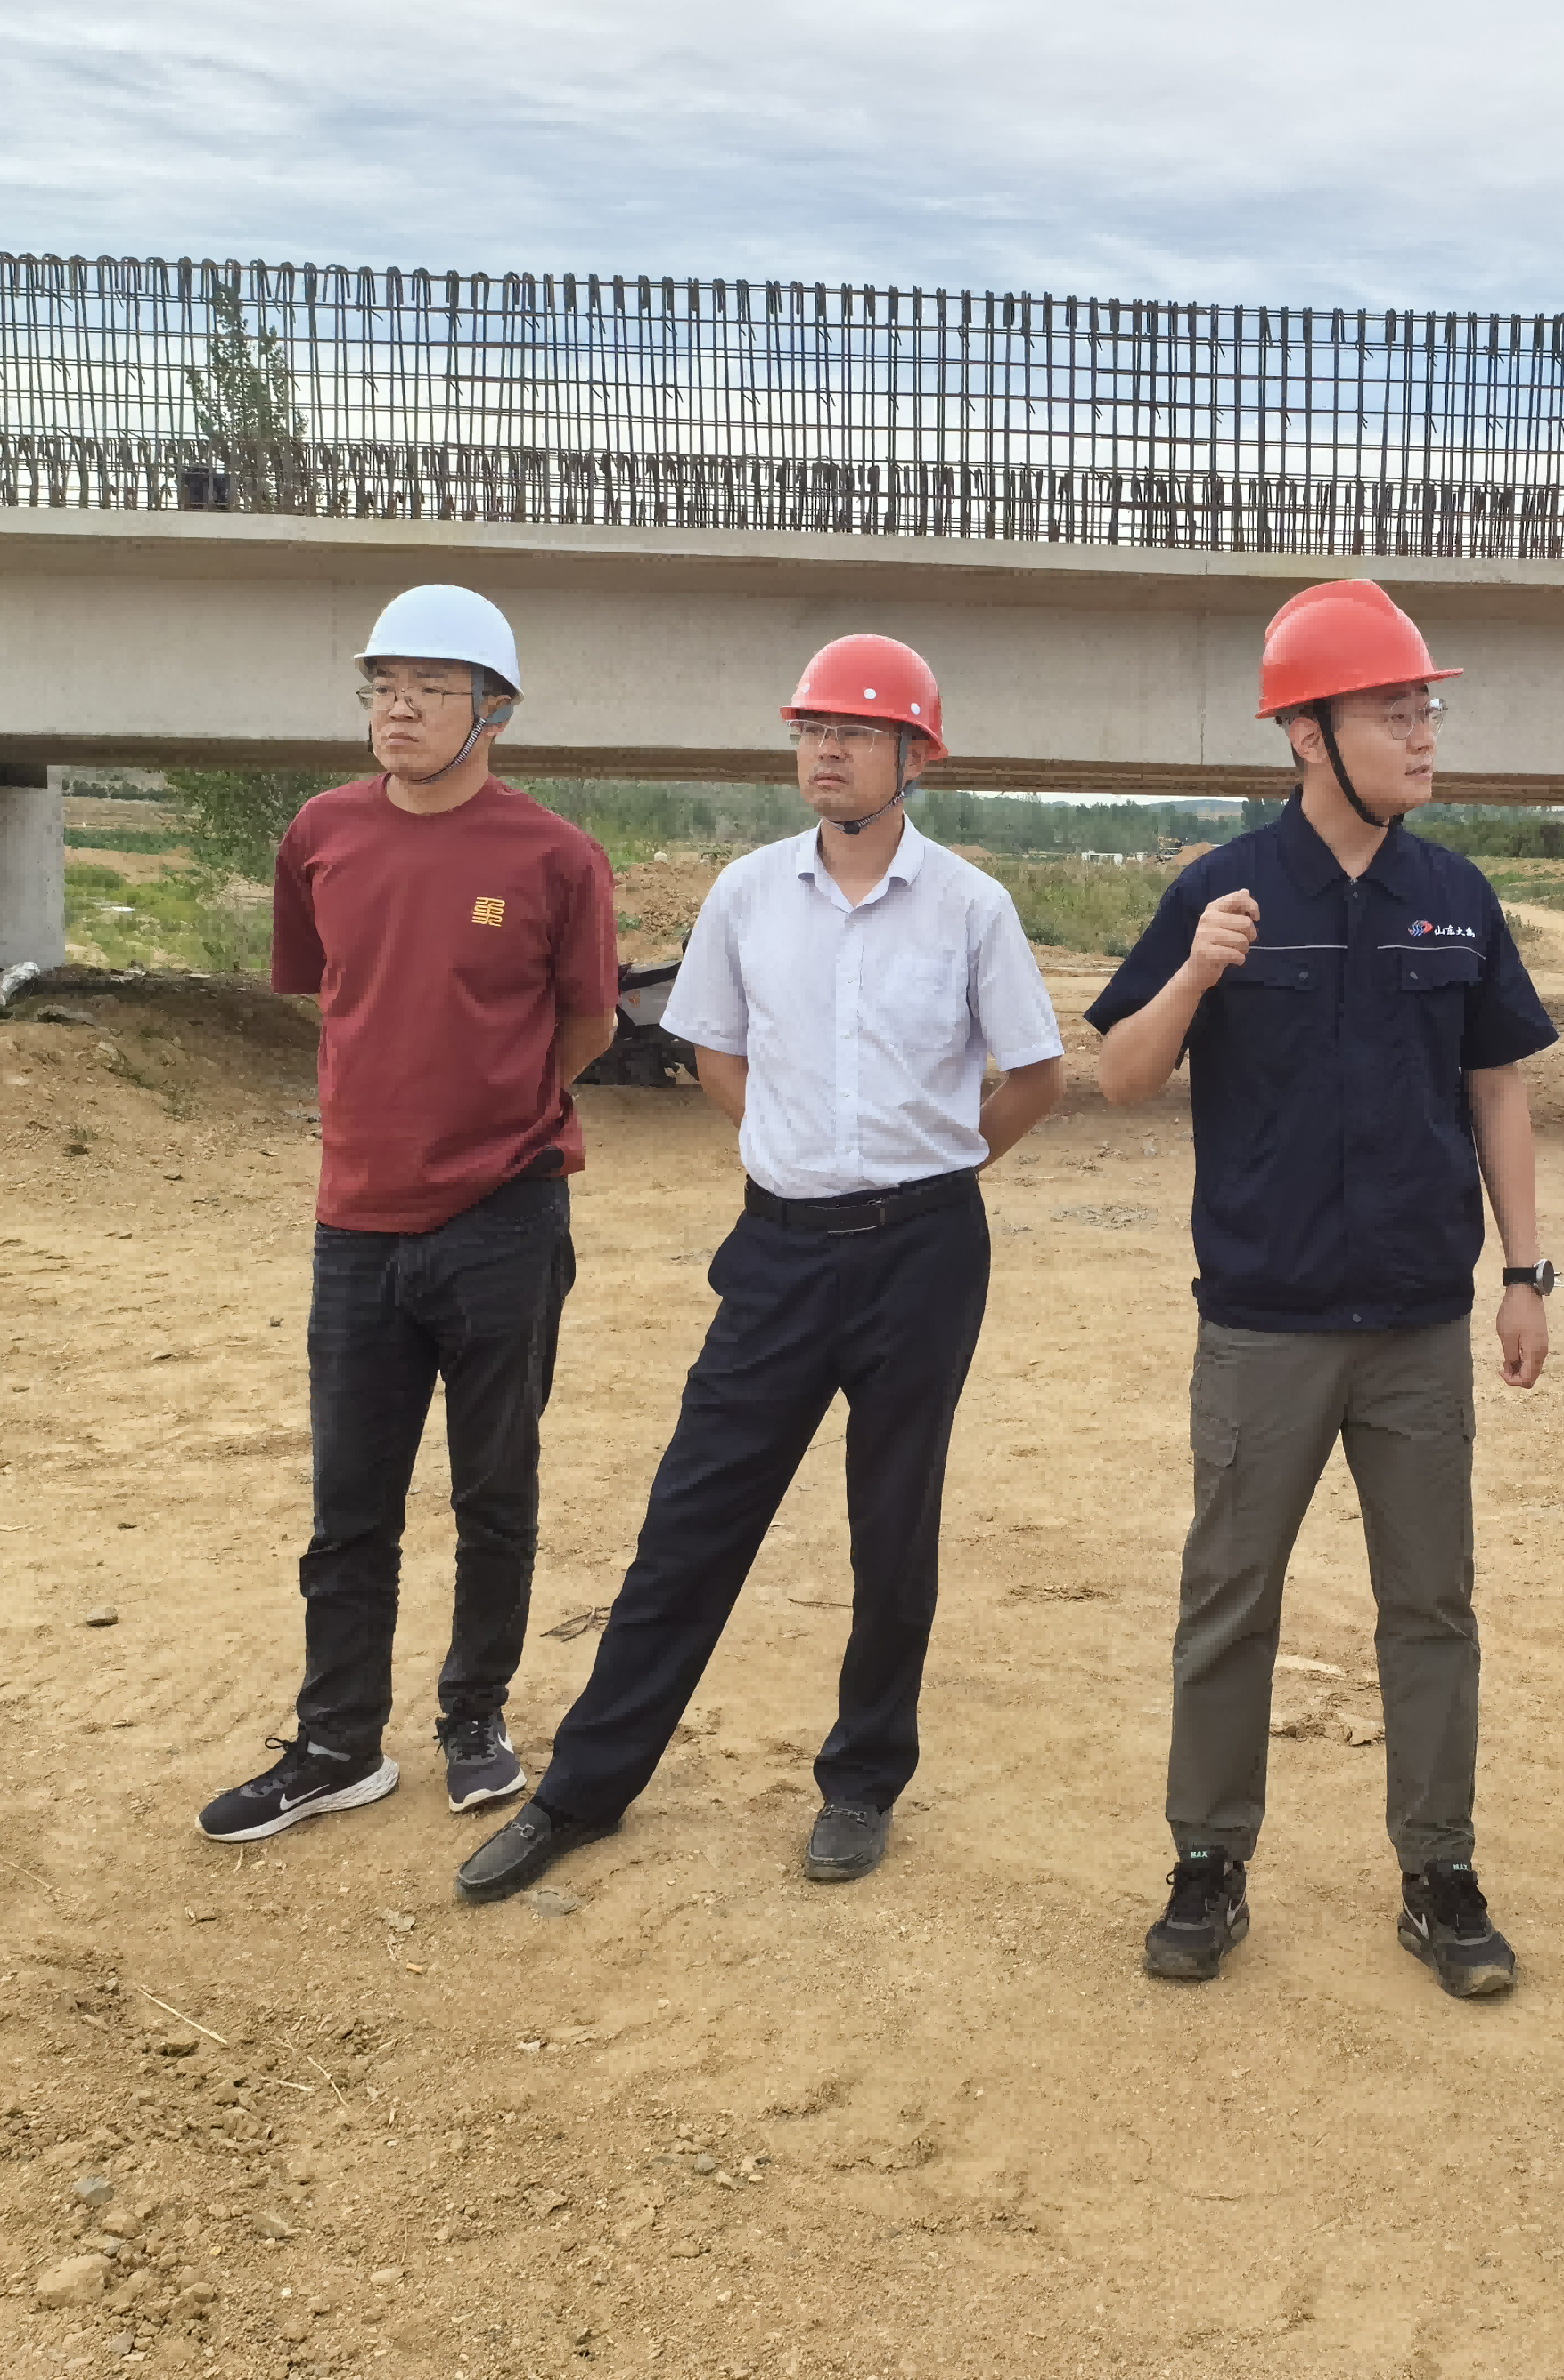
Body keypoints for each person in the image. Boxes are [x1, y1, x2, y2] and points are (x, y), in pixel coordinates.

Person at [455, 635, 1065, 1903]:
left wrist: (935, 1167)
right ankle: (583, 1790)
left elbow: (1036, 1074)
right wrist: (792, 1150)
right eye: (812, 730)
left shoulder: (970, 908)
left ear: (914, 757)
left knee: (892, 1525)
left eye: (856, 731)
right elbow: (714, 1052)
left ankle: (861, 1782)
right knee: (692, 1516)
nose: (826, 751)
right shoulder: (745, 895)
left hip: (925, 1256)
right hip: (780, 1250)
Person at [1087, 579, 1559, 1998]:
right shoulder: (1220, 893)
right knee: (1229, 1603)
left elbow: (1498, 1092)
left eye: (1426, 710)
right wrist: (1193, 980)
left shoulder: (1455, 900)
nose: (1423, 734)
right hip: (1264, 1330)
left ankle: (1440, 1874)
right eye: (1392, 711)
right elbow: (1119, 1076)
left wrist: (1524, 1272)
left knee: (1433, 1610)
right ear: (1309, 734)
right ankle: (1207, 1864)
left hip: (1417, 1327)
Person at [198, 585, 618, 1843]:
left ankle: (474, 1715)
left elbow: (588, 1021)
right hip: (357, 1225)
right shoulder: (321, 833)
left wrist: (495, 1118)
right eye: (383, 687)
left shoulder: (555, 857)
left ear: (495, 711)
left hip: (504, 1217)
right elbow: (329, 991)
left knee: (495, 1489)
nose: (399, 710)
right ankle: (337, 1743)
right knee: (350, 1503)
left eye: (432, 690)